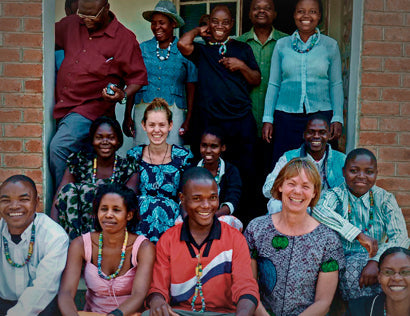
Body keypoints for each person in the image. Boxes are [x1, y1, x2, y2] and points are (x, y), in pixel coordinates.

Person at [50, 0, 148, 189]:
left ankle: (62, 202)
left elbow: (138, 77)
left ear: (106, 9)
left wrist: (122, 95)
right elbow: (41, 36)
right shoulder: (71, 24)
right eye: (82, 16)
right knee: (82, 160)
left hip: (90, 108)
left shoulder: (124, 38)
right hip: (62, 105)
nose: (86, 21)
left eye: (92, 16)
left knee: (59, 147)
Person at [178, 5, 261, 226]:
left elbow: (255, 79)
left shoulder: (242, 49)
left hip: (240, 121)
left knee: (245, 173)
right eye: (215, 22)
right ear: (209, 23)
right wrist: (198, 30)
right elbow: (182, 44)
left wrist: (240, 65)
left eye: (225, 22)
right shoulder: (202, 50)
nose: (220, 26)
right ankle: (210, 219)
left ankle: (241, 223)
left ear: (232, 24)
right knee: (210, 171)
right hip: (211, 123)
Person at [143, 167, 259, 316]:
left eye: (212, 198)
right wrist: (157, 301)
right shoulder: (168, 240)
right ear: (182, 199)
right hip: (180, 313)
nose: (206, 205)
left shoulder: (235, 238)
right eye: (197, 198)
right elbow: (158, 288)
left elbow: (246, 288)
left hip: (223, 314)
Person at [244, 158, 345, 316]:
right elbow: (247, 287)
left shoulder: (328, 240)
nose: (297, 191)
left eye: (306, 186)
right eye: (291, 183)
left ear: (314, 193)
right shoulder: (256, 230)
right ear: (280, 186)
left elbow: (323, 302)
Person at [312, 148, 409, 302]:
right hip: (342, 257)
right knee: (353, 269)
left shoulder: (384, 199)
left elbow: (401, 237)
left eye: (369, 172)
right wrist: (358, 234)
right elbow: (318, 210)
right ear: (344, 172)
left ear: (377, 173)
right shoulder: (336, 195)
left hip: (376, 257)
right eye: (354, 170)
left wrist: (375, 260)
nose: (361, 176)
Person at [262, 0, 343, 166]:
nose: (306, 16)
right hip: (286, 117)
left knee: (320, 166)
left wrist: (337, 117)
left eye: (312, 11)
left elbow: (336, 84)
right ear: (294, 15)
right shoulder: (282, 45)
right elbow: (274, 84)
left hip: (321, 118)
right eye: (301, 11)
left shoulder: (330, 46)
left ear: (319, 16)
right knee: (285, 166)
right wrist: (268, 118)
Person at [58, 184, 155, 316]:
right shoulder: (80, 244)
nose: (108, 215)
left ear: (129, 215)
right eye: (103, 209)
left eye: (116, 210)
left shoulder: (143, 247)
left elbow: (139, 295)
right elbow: (66, 292)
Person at [123, 0, 197, 149]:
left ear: (173, 24)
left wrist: (188, 119)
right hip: (144, 109)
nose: (157, 27)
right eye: (154, 23)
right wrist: (127, 117)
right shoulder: (142, 49)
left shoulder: (185, 50)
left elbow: (191, 86)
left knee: (172, 153)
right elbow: (134, 81)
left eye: (162, 23)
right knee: (143, 152)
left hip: (174, 111)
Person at [51, 116, 139, 240]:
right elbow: (61, 196)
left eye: (111, 137)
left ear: (119, 141)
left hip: (113, 227)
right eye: (99, 137)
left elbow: (129, 202)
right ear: (92, 140)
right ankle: (77, 245)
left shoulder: (128, 166)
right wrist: (52, 231)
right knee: (69, 190)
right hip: (79, 232)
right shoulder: (78, 162)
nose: (105, 142)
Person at [237, 0, 288, 191]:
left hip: (278, 119)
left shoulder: (287, 42)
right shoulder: (238, 44)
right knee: (247, 173)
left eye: (267, 8)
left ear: (275, 13)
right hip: (245, 119)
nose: (261, 11)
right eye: (256, 7)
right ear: (249, 14)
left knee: (275, 172)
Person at [0, 175, 69, 316]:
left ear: (36, 202)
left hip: (42, 307)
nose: (14, 206)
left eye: (24, 199)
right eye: (5, 200)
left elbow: (43, 288)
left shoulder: (54, 236)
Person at [127, 98, 193, 243]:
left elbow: (187, 193)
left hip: (172, 217)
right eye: (152, 125)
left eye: (162, 125)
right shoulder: (135, 155)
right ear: (144, 126)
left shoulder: (183, 156)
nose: (157, 130)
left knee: (159, 206)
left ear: (170, 125)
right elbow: (129, 193)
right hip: (140, 218)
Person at [263, 114, 345, 214]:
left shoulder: (342, 160)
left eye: (322, 132)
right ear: (304, 134)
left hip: (328, 210)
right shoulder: (289, 157)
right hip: (296, 205)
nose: (316, 136)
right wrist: (294, 193)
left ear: (329, 135)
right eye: (311, 132)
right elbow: (268, 188)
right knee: (275, 204)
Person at [346, 247, 410, 316]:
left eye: (405, 272)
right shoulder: (357, 310)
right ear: (379, 277)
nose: (397, 278)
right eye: (388, 272)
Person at [197, 126, 241, 218]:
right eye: (204, 145)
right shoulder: (192, 170)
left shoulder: (231, 171)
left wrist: (211, 217)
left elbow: (232, 201)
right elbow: (184, 199)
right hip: (195, 215)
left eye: (214, 146)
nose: (208, 151)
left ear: (223, 147)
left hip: (220, 216)